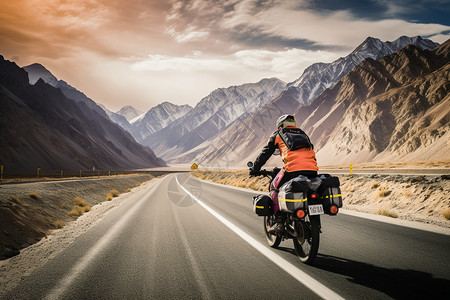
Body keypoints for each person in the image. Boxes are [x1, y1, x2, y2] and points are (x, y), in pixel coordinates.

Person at [249, 114, 318, 234]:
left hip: (292, 170)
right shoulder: (303, 134)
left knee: (275, 188)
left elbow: (265, 153)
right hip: (312, 170)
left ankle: (279, 222)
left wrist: (255, 168)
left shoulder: (278, 134)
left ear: (280, 125)